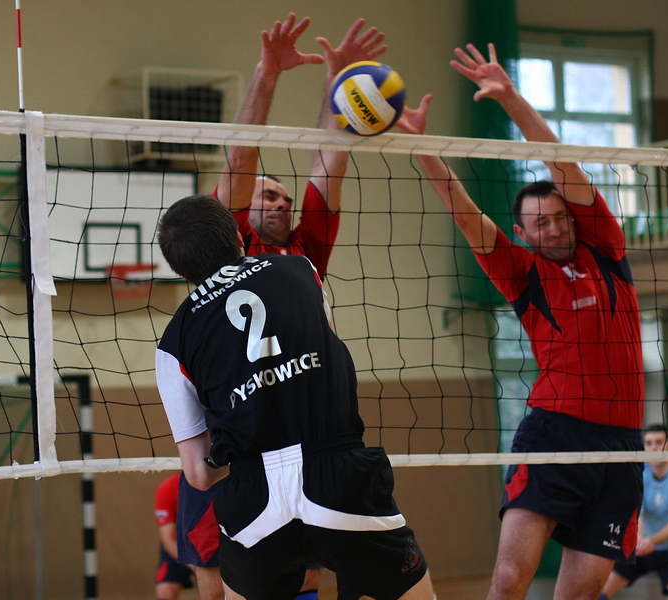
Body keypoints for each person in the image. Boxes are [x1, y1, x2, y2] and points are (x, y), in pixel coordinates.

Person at [396, 43, 644, 600]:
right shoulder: (523, 272)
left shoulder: (605, 250)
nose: (553, 228)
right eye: (540, 223)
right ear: (523, 234)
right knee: (510, 580)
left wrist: (510, 96)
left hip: (622, 448)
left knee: (581, 592)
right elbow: (464, 212)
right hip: (555, 434)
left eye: (559, 218)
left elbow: (562, 164)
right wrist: (422, 148)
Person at [174, 14, 388, 600]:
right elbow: (242, 156)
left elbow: (329, 158)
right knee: (219, 585)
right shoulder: (231, 245)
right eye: (268, 194)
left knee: (311, 571)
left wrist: (339, 82)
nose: (281, 202)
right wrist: (267, 71)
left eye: (286, 197)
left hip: (306, 439)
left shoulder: (305, 252)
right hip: (235, 444)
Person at [154, 194, 436, 600]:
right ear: (238, 236)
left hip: (252, 498)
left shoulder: (173, 342)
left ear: (180, 269)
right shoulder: (301, 269)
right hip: (336, 471)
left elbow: (199, 475)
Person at [599, 425, 668, 600]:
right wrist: (641, 540)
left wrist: (652, 541)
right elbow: (639, 515)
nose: (653, 448)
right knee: (597, 592)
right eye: (649, 443)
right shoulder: (638, 472)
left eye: (659, 442)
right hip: (638, 546)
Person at [154, 472, 194, 600]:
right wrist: (193, 564)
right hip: (179, 546)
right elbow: (167, 539)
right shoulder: (168, 487)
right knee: (165, 591)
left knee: (216, 591)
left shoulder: (217, 483)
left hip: (211, 546)